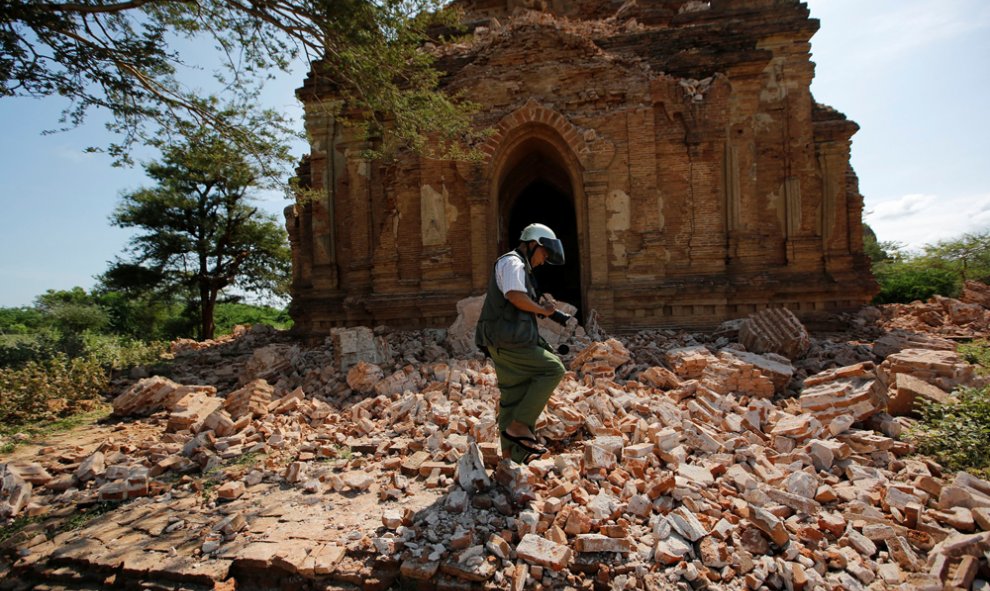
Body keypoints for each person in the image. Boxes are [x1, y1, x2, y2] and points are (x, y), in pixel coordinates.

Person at [475, 223, 571, 464]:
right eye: (544, 254)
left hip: (503, 339)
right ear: (533, 244)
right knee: (553, 369)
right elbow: (514, 296)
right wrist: (541, 309)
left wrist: (544, 310)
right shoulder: (513, 263)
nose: (543, 260)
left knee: (513, 394)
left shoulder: (518, 267)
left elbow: (520, 300)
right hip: (509, 340)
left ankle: (511, 456)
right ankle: (519, 426)